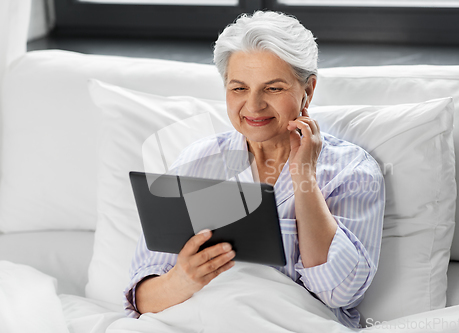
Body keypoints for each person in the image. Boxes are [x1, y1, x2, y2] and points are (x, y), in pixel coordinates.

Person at [124, 11, 385, 329]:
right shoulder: (197, 163)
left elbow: (341, 292)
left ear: (308, 90)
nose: (254, 105)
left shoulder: (351, 171)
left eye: (273, 88)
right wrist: (182, 280)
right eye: (238, 89)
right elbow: (142, 298)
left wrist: (304, 178)